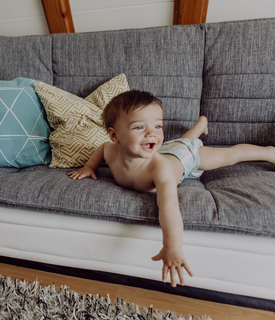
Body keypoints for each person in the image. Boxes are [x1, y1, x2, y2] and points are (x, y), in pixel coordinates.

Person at [68, 90, 275, 287]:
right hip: (168, 149)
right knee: (179, 143)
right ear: (115, 136)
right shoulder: (111, 150)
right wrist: (89, 166)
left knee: (228, 156)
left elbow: (169, 208)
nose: (152, 133)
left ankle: (268, 152)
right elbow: (102, 149)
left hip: (186, 158)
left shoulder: (160, 170)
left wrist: (172, 246)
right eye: (139, 127)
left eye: (158, 126)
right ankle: (199, 127)